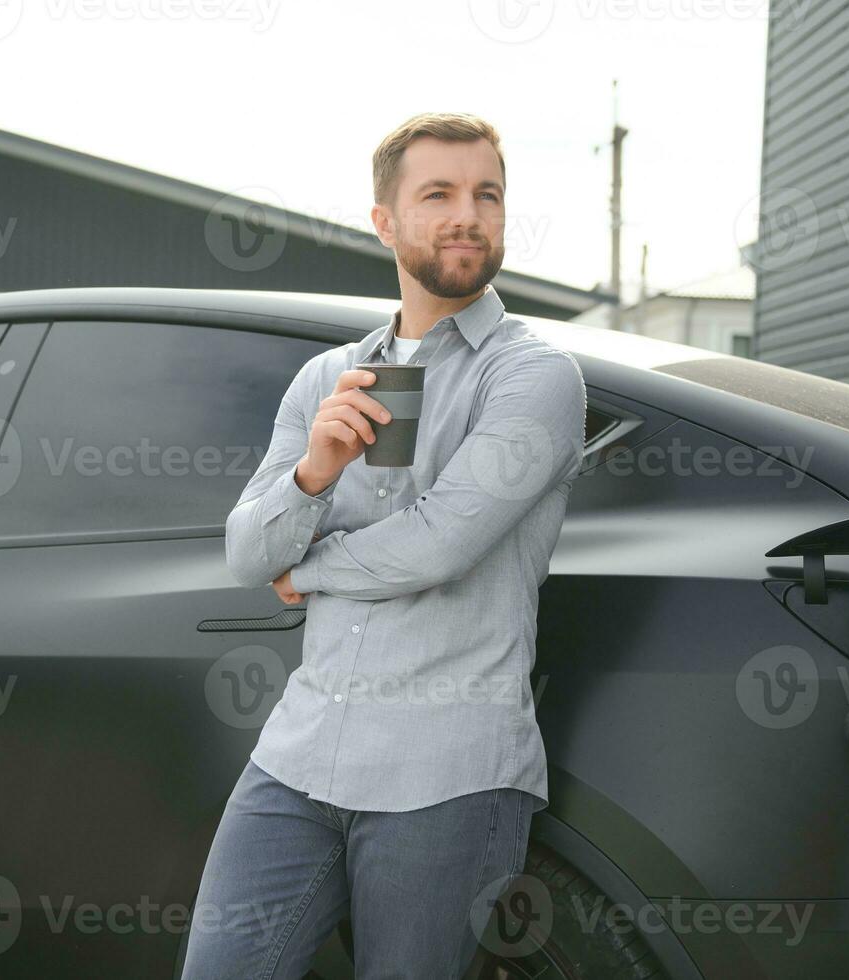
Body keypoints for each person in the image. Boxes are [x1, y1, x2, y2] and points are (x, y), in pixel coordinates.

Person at [183, 111, 588, 979]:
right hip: (297, 757)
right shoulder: (325, 379)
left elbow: (439, 542)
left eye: (486, 194)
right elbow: (247, 553)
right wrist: (314, 474)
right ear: (384, 221)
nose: (466, 216)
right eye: (436, 194)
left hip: (446, 773)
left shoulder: (533, 375)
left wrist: (311, 569)